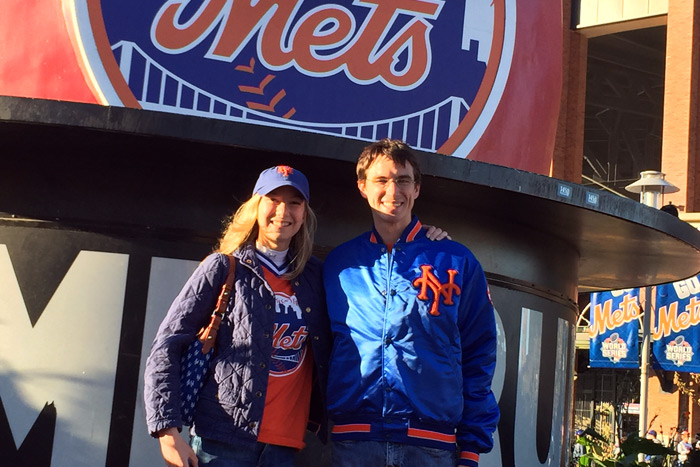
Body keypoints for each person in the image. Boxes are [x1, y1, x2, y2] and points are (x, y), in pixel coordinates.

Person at [323, 138, 500, 467]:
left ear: (417, 188)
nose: (393, 191)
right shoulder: (339, 265)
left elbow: (480, 354)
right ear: (362, 186)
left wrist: (472, 446)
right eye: (381, 180)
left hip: (431, 447)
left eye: (403, 180)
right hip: (354, 443)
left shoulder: (456, 261)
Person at [144, 165, 331, 467]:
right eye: (273, 199)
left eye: (294, 202)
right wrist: (167, 431)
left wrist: (432, 235)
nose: (283, 211)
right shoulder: (223, 267)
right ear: (256, 206)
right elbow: (166, 346)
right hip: (221, 443)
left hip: (285, 449)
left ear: (305, 213)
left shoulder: (317, 277)